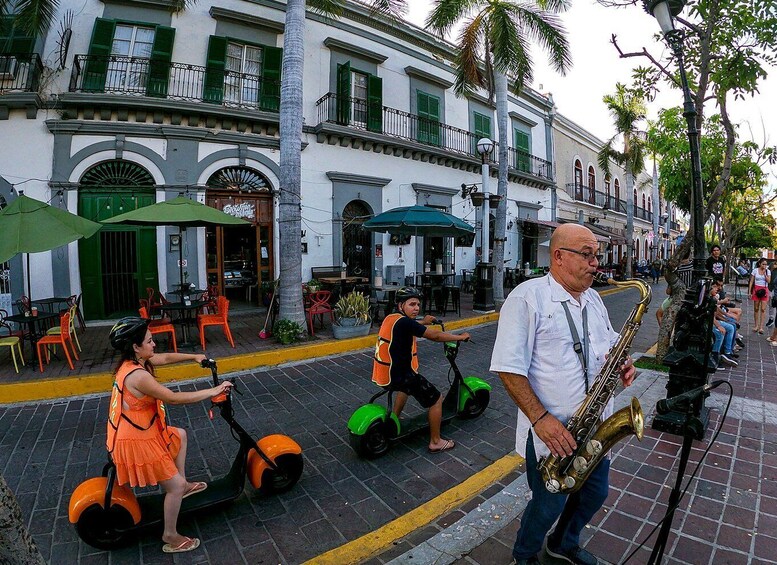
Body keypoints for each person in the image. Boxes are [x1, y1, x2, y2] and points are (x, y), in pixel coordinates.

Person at [490, 223, 636, 565]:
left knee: (595, 493)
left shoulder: (595, 299)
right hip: (554, 434)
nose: (595, 263)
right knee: (547, 503)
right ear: (559, 257)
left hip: (594, 425)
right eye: (587, 255)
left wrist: (623, 363)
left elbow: (610, 343)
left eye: (596, 256)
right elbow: (508, 367)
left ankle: (562, 543)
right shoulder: (526, 298)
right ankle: (524, 556)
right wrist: (540, 420)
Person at [107, 317, 233, 554]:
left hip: (140, 430)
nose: (154, 345)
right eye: (149, 341)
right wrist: (213, 391)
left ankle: (183, 486)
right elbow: (172, 398)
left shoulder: (134, 362)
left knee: (180, 435)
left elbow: (163, 357)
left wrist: (193, 356)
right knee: (173, 487)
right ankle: (171, 535)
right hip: (135, 440)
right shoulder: (137, 376)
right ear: (135, 347)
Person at [372, 287, 470, 453]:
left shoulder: (392, 318)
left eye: (418, 304)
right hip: (402, 376)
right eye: (412, 304)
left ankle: (395, 416)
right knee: (436, 399)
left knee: (405, 390)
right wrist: (460, 337)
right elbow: (435, 336)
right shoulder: (405, 322)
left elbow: (409, 326)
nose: (416, 308)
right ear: (401, 305)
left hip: (389, 375)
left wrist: (423, 321)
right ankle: (436, 441)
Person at [748, 258, 771, 334]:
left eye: (765, 264)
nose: (764, 266)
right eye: (763, 264)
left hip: (764, 289)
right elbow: (751, 281)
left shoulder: (768, 271)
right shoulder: (755, 271)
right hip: (756, 289)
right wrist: (749, 291)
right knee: (756, 308)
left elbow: (769, 281)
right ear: (759, 264)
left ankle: (761, 327)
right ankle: (756, 325)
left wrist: (765, 274)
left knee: (763, 309)